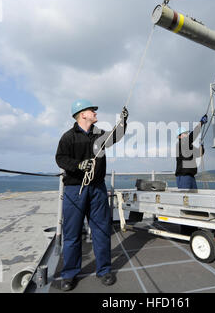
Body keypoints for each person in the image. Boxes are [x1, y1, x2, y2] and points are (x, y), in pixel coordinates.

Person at [55, 99, 128, 291]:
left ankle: (104, 271)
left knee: (101, 231)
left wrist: (123, 121)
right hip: (74, 190)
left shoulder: (100, 135)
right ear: (82, 114)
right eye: (92, 110)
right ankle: (69, 274)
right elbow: (60, 158)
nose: (95, 113)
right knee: (72, 234)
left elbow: (116, 136)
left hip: (97, 189)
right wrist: (78, 165)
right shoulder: (68, 137)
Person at [175, 115, 207, 189]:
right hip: (183, 176)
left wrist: (202, 146)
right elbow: (193, 135)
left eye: (187, 133)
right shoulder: (181, 144)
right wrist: (201, 123)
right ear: (179, 136)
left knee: (193, 198)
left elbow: (199, 153)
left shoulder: (189, 146)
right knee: (186, 198)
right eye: (185, 133)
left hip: (190, 176)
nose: (187, 134)